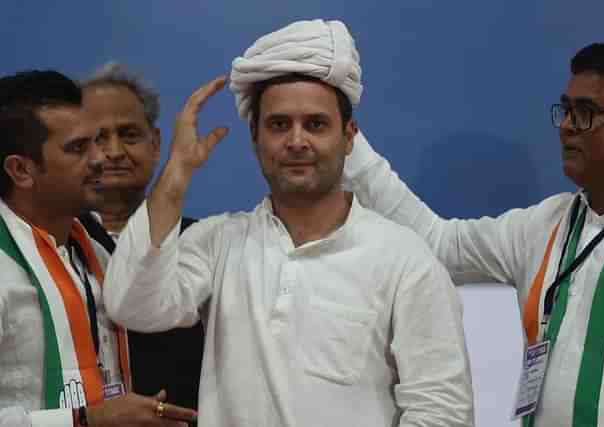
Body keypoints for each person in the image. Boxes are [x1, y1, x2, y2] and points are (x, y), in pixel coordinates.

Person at [103, 19, 474, 427]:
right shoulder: (220, 242)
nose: (297, 141)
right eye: (279, 125)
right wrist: (177, 172)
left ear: (349, 137)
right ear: (255, 138)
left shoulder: (404, 258)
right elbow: (133, 307)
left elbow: (443, 413)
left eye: (316, 124)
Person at [342, 40, 604, 426]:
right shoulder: (545, 224)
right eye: (566, 110)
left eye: (586, 113)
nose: (567, 126)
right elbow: (438, 243)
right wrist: (346, 140)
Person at [0, 70, 196, 427]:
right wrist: (84, 421)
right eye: (78, 148)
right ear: (21, 170)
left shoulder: (98, 254)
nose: (102, 158)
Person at [78, 63, 204, 417]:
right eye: (97, 137)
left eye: (129, 134)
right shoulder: (51, 245)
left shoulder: (199, 243)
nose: (114, 151)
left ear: (156, 143)